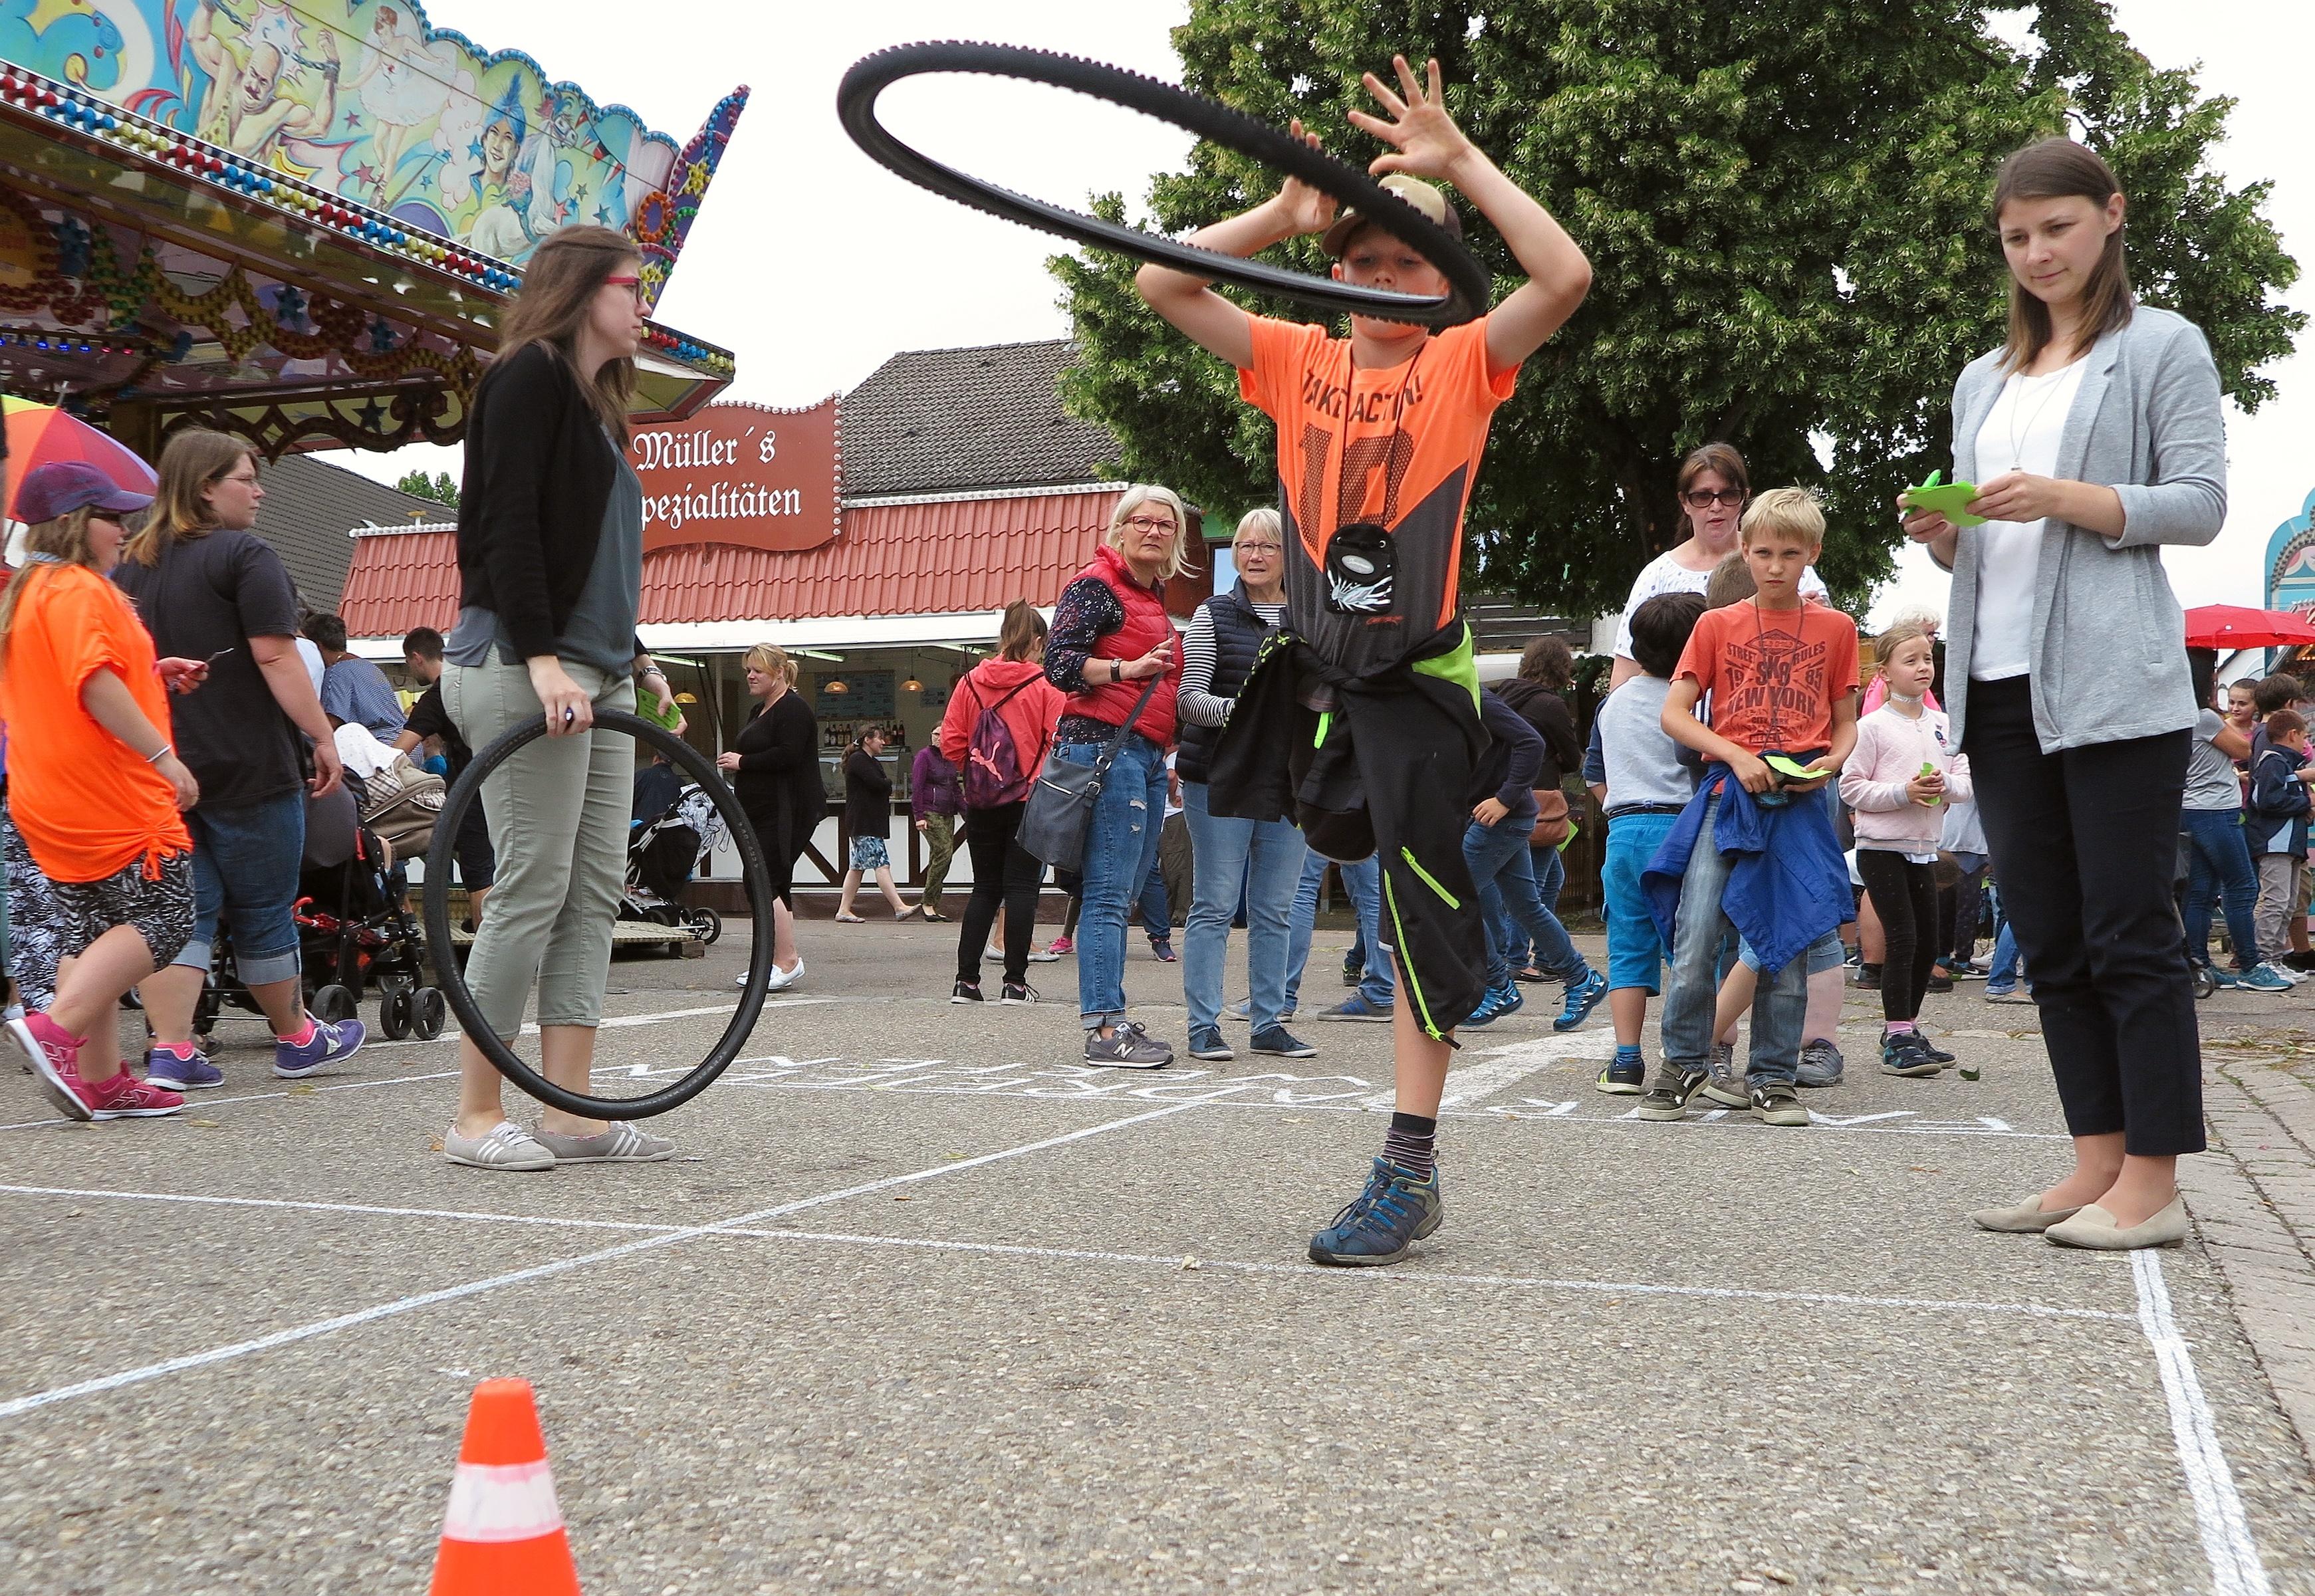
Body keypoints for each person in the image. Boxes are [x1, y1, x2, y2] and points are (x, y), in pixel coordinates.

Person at [1137, 54, 1592, 1262]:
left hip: (1419, 687)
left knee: (1417, 915)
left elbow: (1565, 274)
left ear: (1445, 281)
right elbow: (1160, 281)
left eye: (1411, 261)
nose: (1386, 280)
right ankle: (1407, 1136)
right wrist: (1284, 216)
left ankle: (1408, 1164)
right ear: (1331, 276)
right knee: (1357, 883)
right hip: (1324, 677)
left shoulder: (1463, 364)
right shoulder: (1294, 357)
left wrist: (1462, 167)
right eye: (1363, 261)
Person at [1902, 138, 2227, 1250]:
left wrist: (2063, 495)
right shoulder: (1979, 380)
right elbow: (1981, 559)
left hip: (2112, 687)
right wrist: (1950, 537)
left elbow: (2196, 504)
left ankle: (2154, 1177)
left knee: (2128, 928)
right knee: (2047, 937)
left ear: (2110, 216)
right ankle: (2094, 1159)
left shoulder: (2162, 347)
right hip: (1992, 688)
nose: (2037, 252)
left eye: (2056, 228)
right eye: (2016, 236)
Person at [435, 223, 686, 1172]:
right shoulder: (528, 375)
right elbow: (506, 528)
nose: (643, 304)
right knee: (532, 884)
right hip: (519, 661)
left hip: (596, 670)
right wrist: (543, 658)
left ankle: (569, 1112)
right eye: (632, 285)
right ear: (583, 289)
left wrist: (633, 653)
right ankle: (472, 1116)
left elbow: (593, 556)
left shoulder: (598, 405)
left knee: (590, 893)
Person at [113, 431, 358, 1091]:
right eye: (246, 478)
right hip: (251, 764)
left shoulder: (128, 565)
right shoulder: (246, 554)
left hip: (161, 769)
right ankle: (296, 1037)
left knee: (182, 909)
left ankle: (172, 1049)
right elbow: (277, 656)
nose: (260, 489)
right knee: (264, 908)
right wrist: (322, 735)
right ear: (204, 487)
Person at [1640, 489, 1860, 1129]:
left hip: (1797, 801)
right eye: (1762, 552)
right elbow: (1674, 713)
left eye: (1790, 554)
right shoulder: (1716, 625)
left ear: (1812, 555)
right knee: (1698, 928)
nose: (1774, 566)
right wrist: (1735, 755)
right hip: (1728, 794)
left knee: (1785, 935)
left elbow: (1845, 724)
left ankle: (1772, 1076)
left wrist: (1831, 763)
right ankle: (1683, 1063)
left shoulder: (1837, 629)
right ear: (1743, 549)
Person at [0, 464, 203, 1120]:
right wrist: (164, 757)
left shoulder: (29, 589)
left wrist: (149, 673)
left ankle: (101, 1079)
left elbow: (73, 678)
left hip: (44, 791)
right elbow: (92, 683)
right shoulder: (83, 588)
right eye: (111, 517)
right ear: (73, 523)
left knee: (92, 933)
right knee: (167, 918)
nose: (125, 529)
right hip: (108, 794)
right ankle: (55, 1029)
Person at [1042, 484, 1193, 1066]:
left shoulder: (1152, 597)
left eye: (1166, 523)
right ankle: (1105, 1031)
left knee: (1124, 891)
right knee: (1109, 894)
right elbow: (1057, 663)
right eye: (1143, 521)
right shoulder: (1095, 587)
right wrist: (1127, 666)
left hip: (1145, 756)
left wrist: (1168, 755)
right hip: (1105, 750)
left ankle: (1110, 1018)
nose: (1155, 531)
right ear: (1120, 529)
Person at [1177, 509, 1313, 1062]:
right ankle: (1203, 1025)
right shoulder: (1213, 614)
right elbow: (1190, 699)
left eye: (1268, 547)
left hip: (1287, 782)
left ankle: (1268, 1022)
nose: (1254, 555)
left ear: (1288, 557)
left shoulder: (1311, 619)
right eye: (1244, 545)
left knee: (1275, 908)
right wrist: (1250, 712)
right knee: (1213, 905)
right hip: (1220, 778)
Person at [1840, 619, 1975, 1078]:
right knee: (1903, 937)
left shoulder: (1945, 725)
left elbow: (1965, 781)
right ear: (1885, 671)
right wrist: (1903, 792)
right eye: (1910, 660)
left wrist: (1943, 787)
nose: (1923, 668)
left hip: (1925, 846)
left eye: (1928, 659)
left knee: (1928, 943)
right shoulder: (1871, 726)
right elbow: (1851, 786)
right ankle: (1897, 1034)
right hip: (1880, 847)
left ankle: (1907, 1027)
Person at [1590, 592, 1705, 1091]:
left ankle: (1625, 1059)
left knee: (1628, 944)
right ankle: (1695, 1053)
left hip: (1624, 828)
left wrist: (1621, 810)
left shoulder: (1611, 704)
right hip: (1682, 828)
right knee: (1695, 946)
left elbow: (1595, 773)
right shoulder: (1691, 703)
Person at [1608, 444, 1829, 689]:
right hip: (1679, 718)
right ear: (1685, 502)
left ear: (1744, 496)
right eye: (1703, 496)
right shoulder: (1658, 575)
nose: (1716, 507)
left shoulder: (1784, 561)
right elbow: (1626, 669)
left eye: (1728, 495)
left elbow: (1824, 649)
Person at [941, 601, 1064, 1004]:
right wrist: (1030, 777)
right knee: (1023, 889)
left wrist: (978, 773)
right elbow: (1058, 742)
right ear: (1036, 640)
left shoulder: (970, 682)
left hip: (981, 801)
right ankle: (1014, 983)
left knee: (985, 888)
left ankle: (966, 981)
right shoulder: (1046, 685)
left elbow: (952, 742)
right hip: (1028, 799)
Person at [1462, 687, 1606, 1028]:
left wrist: (1505, 798)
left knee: (1455, 898)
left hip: (1501, 818)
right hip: (1497, 817)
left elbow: (1532, 743)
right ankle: (1582, 978)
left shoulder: (1473, 696)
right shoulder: (1440, 700)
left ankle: (1498, 985)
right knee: (1526, 905)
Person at [715, 643, 817, 992]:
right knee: (769, 881)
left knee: (764, 880)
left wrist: (742, 762)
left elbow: (789, 755)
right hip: (758, 808)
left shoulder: (794, 709)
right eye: (747, 670)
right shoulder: (759, 710)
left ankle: (787, 960)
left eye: (757, 670)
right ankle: (772, 961)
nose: (751, 676)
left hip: (786, 807)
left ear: (778, 672)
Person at [2179, 648, 2273, 990]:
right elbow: (2244, 749)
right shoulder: (2204, 716)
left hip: (2196, 806)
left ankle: (2200, 963)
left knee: (2202, 891)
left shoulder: (2180, 713)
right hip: (2215, 810)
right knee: (2242, 885)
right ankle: (2250, 965)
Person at [1493, 635, 1583, 977]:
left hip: (1503, 795)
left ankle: (1539, 956)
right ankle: (1520, 959)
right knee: (1531, 888)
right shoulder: (1549, 704)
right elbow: (1573, 757)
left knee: (1543, 879)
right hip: (1541, 802)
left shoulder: (1501, 694)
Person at [397, 624, 493, 927]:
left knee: (478, 870)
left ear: (416, 658)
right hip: (509, 778)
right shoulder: (472, 678)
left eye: (409, 665)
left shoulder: (437, 696)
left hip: (473, 787)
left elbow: (399, 751)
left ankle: (485, 948)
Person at [2247, 709, 2311, 986]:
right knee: (2276, 901)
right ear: (2293, 734)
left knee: (2286, 903)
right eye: (2305, 737)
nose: (2306, 744)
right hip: (2276, 842)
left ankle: (2275, 959)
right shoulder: (2273, 761)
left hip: (2290, 843)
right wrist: (2306, 803)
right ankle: (2263, 959)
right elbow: (2266, 800)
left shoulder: (2284, 765)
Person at [833, 727, 919, 923]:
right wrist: (886, 783)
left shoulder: (869, 761)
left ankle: (844, 910)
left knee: (856, 868)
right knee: (882, 864)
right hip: (865, 822)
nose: (883, 742)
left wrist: (885, 783)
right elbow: (877, 784)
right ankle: (899, 906)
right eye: (880, 739)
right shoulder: (859, 760)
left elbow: (882, 784)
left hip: (866, 821)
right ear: (867, 740)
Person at [304, 611, 406, 739]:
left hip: (381, 746)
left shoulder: (336, 673)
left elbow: (332, 723)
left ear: (317, 646)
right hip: (404, 743)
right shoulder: (369, 667)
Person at [910, 731, 962, 923]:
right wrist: (919, 816)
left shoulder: (950, 759)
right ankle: (928, 902)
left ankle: (933, 903)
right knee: (944, 853)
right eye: (935, 734)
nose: (939, 738)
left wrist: (967, 813)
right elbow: (917, 786)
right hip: (930, 811)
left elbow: (955, 788)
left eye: (943, 734)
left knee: (939, 857)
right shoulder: (924, 756)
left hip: (948, 812)